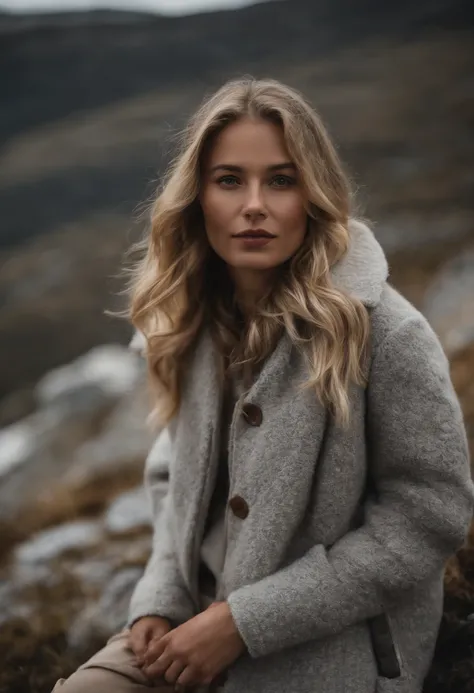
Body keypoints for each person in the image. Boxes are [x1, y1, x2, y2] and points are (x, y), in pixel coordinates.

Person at [52, 78, 474, 693]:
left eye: (281, 179)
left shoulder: (385, 331)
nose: (254, 204)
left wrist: (244, 622)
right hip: (185, 627)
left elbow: (429, 516)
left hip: (324, 651)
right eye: (229, 180)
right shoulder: (191, 322)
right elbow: (173, 474)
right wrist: (158, 597)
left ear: (314, 192)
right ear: (198, 196)